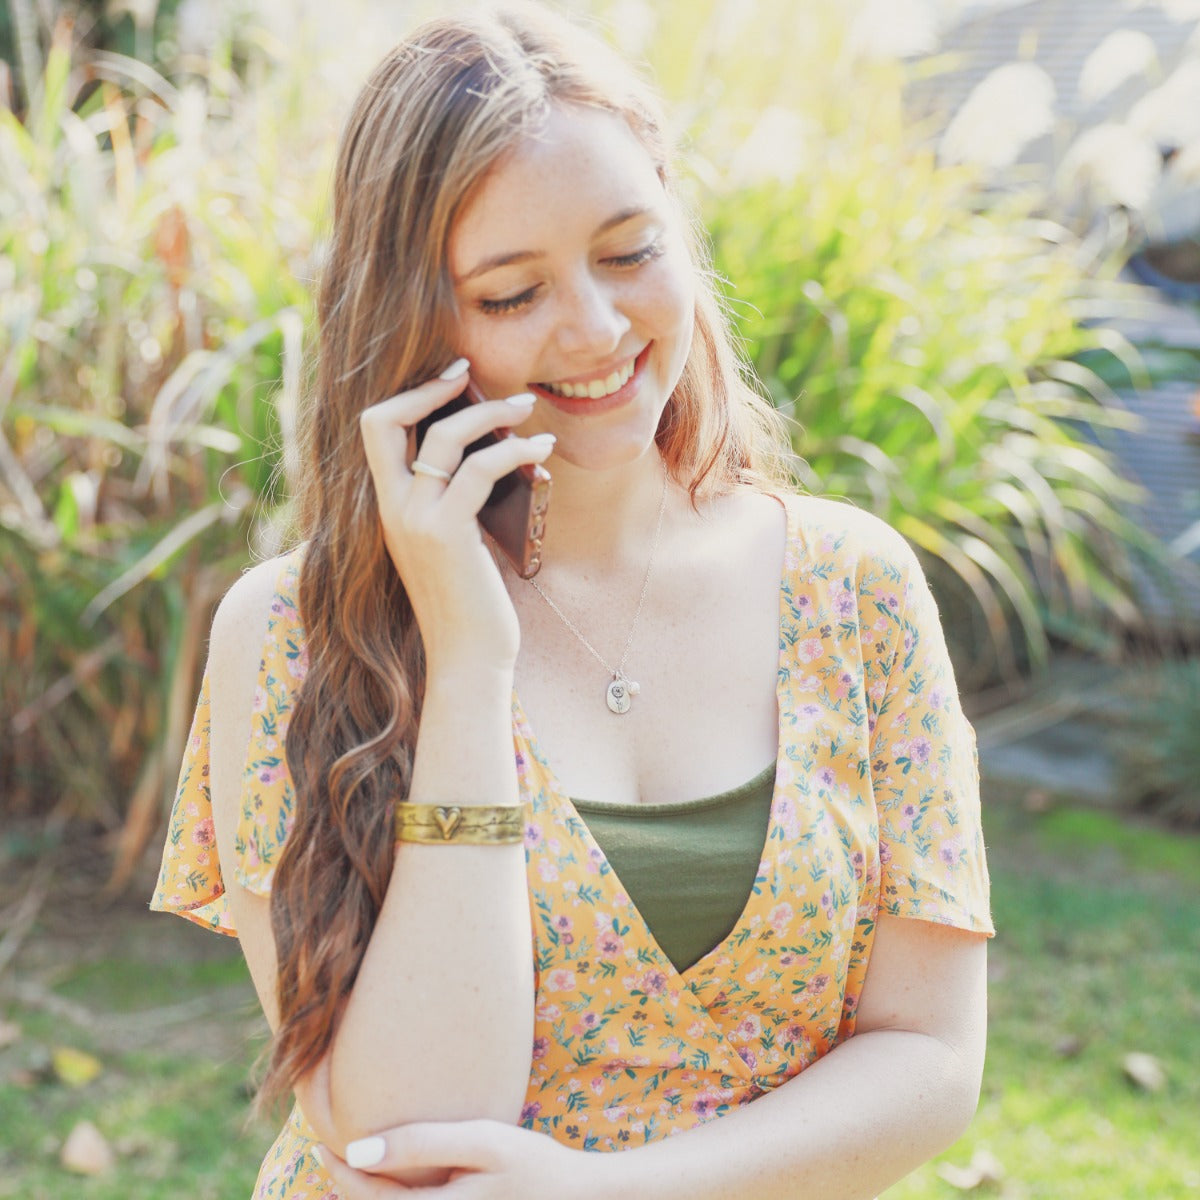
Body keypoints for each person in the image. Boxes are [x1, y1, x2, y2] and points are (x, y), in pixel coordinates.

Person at [151, 5, 994, 1198]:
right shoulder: (294, 637)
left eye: (629, 251)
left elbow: (927, 1056)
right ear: (408, 322)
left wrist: (613, 1191)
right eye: (510, 295)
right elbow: (407, 1133)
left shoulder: (856, 592)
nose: (596, 330)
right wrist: (469, 662)